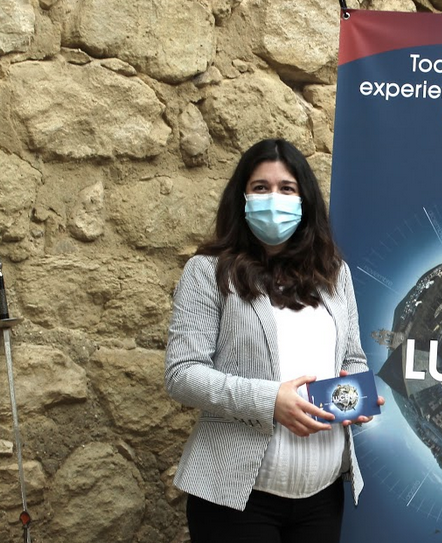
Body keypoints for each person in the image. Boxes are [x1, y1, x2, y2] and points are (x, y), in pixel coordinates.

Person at [164, 138, 384, 543]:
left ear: (305, 200)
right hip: (236, 499)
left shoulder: (335, 275)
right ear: (242, 197)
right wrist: (270, 402)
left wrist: (355, 398)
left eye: (286, 188)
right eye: (260, 187)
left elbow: (352, 356)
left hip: (322, 497)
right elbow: (182, 374)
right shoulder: (208, 272)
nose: (274, 197)